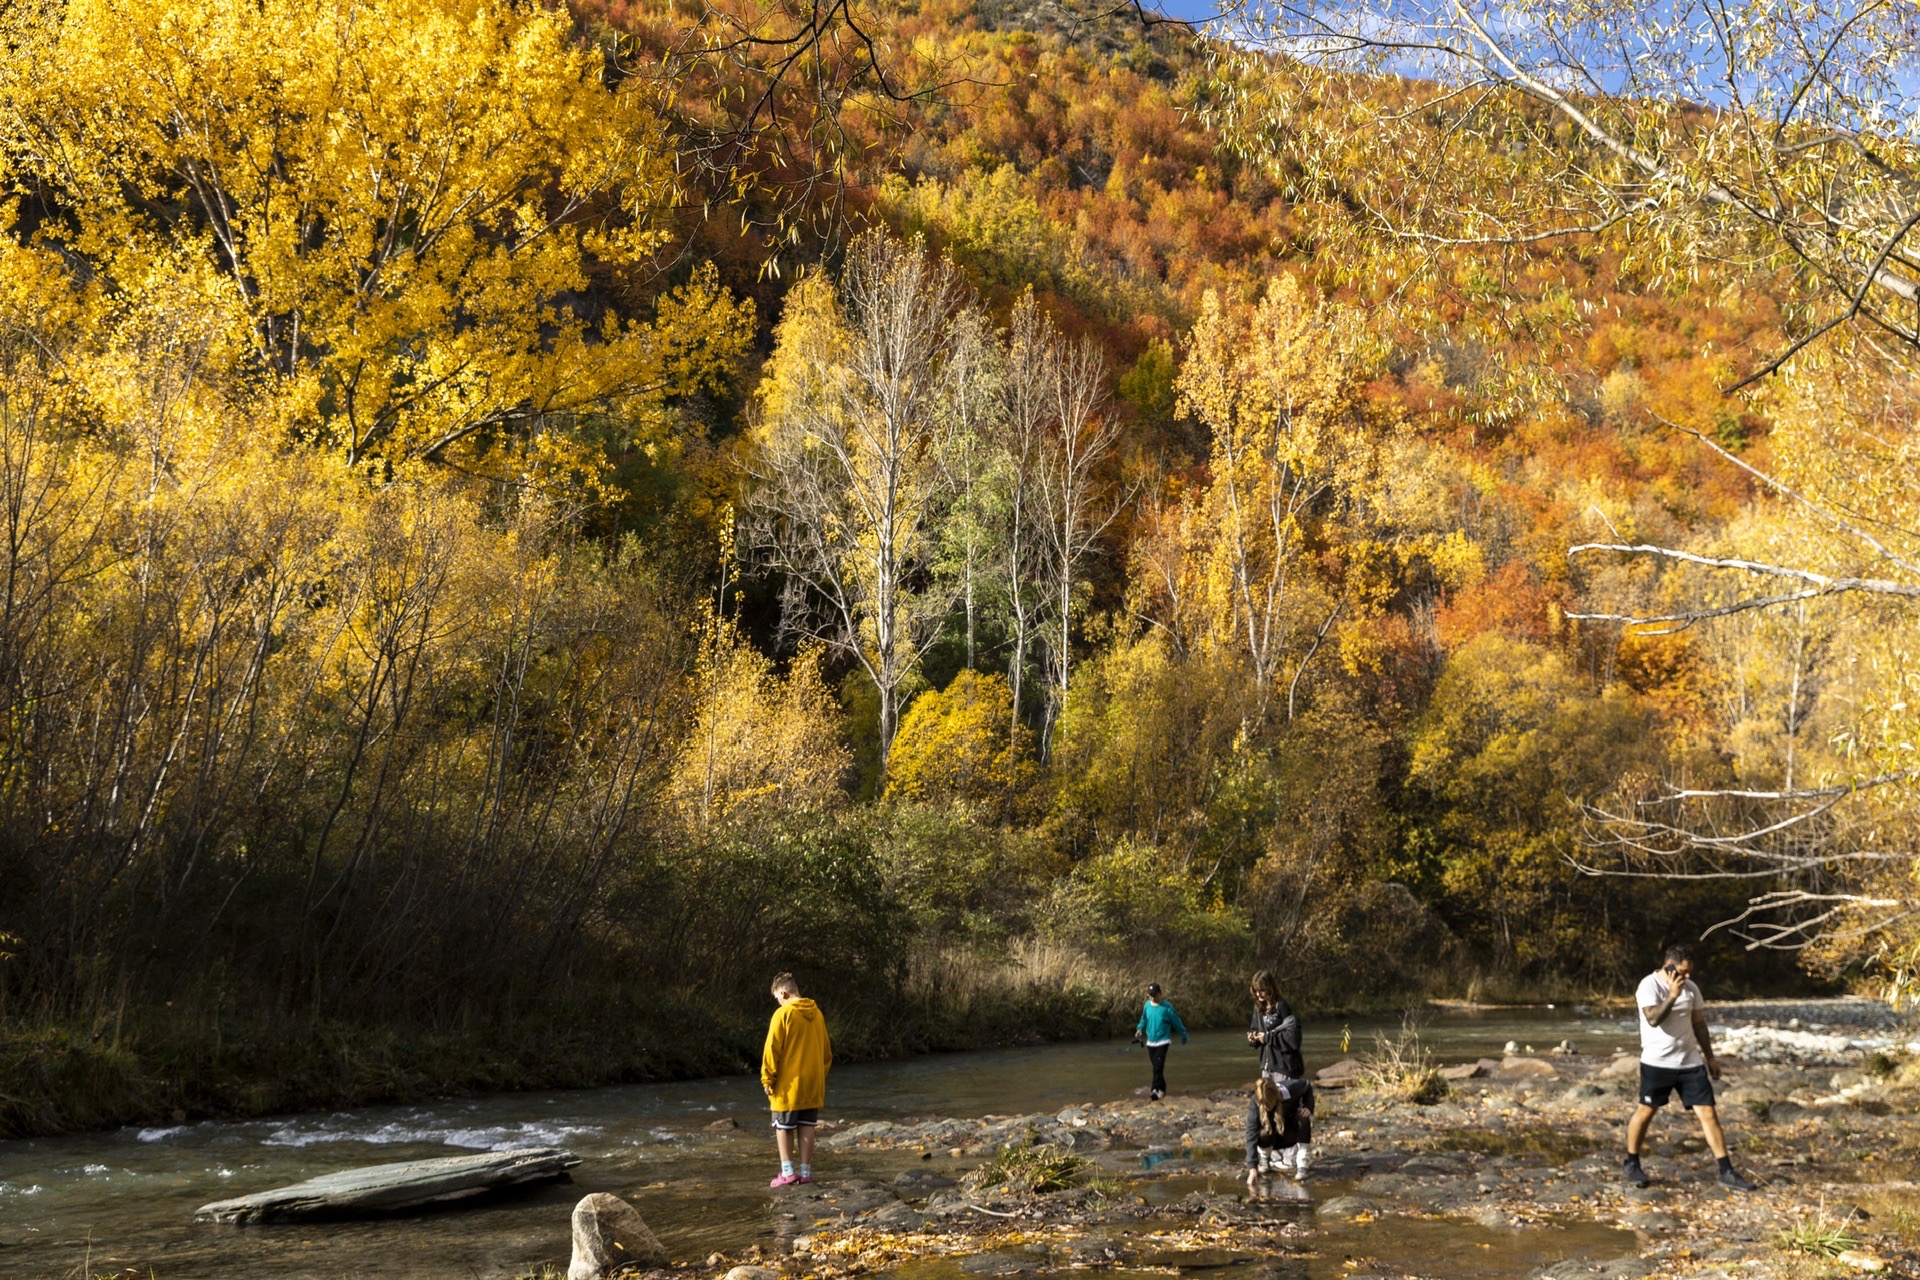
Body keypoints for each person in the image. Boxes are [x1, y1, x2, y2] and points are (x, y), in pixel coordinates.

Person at [1622, 945, 1755, 1191]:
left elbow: (1699, 1024)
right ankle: (1631, 1163)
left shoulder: (1691, 988)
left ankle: (1726, 1170)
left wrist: (1710, 1058)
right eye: (1684, 971)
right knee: (1646, 1111)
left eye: (1690, 972)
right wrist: (1672, 995)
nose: (1689, 976)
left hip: (1690, 1062)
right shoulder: (1649, 986)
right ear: (1669, 966)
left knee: (1708, 1113)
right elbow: (1653, 1019)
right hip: (1657, 1062)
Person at [761, 971, 832, 1188]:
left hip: (789, 1083)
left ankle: (787, 1172)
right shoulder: (817, 1014)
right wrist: (820, 1075)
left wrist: (767, 1078)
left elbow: (772, 1050)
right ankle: (806, 1172)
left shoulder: (783, 1015)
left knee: (782, 1126)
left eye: (777, 999)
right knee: (807, 1125)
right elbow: (826, 1053)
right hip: (813, 1082)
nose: (778, 1003)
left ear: (783, 992)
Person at [1246, 969, 1310, 1177]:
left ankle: (1291, 1156)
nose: (1259, 995)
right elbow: (1259, 1035)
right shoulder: (1258, 1009)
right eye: (1256, 992)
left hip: (1285, 1067)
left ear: (1271, 988)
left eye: (1262, 991)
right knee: (1267, 1108)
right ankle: (1270, 1154)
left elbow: (1293, 1041)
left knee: (1287, 1108)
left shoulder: (1282, 1007)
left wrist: (1268, 1038)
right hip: (1266, 1067)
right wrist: (1253, 1039)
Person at [1244, 1074, 1314, 1185]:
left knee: (1303, 1118)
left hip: (1289, 1134)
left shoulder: (1291, 1088)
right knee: (1262, 1134)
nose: (1265, 1107)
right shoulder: (1255, 1102)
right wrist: (1252, 1168)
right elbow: (1250, 1134)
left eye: (1267, 1103)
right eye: (1262, 1104)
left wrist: (1309, 1106)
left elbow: (1307, 1085)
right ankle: (1264, 1161)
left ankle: (1303, 1164)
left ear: (1276, 1096)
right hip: (1270, 1138)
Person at [1132, 981, 1189, 1100]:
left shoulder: (1167, 1008)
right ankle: (1162, 1089)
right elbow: (1144, 1019)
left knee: (1158, 1067)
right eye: (1150, 995)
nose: (1153, 997)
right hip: (1150, 1042)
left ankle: (1155, 1091)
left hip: (1163, 1041)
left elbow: (1176, 1022)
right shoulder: (1147, 1005)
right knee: (1157, 1067)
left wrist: (1183, 1034)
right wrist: (1139, 1028)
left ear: (1160, 994)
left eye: (1155, 995)